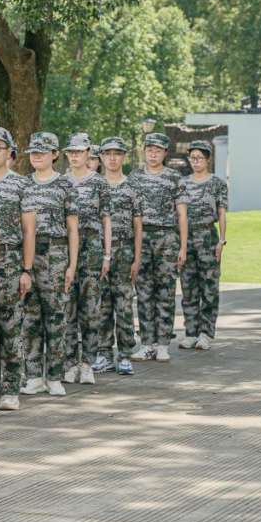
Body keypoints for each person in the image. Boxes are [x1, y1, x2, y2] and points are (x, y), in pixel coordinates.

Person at [0, 126, 36, 411]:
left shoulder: (21, 185)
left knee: (10, 327)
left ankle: (11, 388)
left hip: (10, 260)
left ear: (9, 152)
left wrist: (26, 270)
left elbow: (29, 231)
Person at [20, 133, 78, 396]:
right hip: (28, 254)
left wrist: (72, 264)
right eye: (33, 151)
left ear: (55, 154)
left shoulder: (65, 185)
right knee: (30, 316)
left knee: (56, 316)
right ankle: (33, 375)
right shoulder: (23, 184)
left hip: (55, 253)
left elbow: (73, 228)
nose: (37, 156)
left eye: (42, 152)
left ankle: (55, 375)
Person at [128, 133, 188, 363]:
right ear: (145, 151)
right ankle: (147, 344)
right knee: (143, 293)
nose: (153, 154)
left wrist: (183, 247)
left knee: (166, 292)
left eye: (158, 150)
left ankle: (162, 344)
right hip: (141, 238)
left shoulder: (174, 178)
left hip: (167, 238)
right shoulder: (134, 177)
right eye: (149, 150)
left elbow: (182, 214)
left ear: (165, 153)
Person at [63, 132, 111, 384]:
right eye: (71, 152)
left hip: (92, 247)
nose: (74, 156)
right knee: (68, 307)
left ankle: (88, 362)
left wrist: (107, 254)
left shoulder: (99, 183)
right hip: (66, 249)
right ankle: (70, 362)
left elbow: (106, 220)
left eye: (79, 152)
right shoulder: (61, 182)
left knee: (91, 307)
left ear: (88, 153)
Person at [177, 140, 229, 351]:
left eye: (199, 158)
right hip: (186, 236)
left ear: (208, 159)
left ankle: (206, 333)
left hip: (208, 236)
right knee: (188, 287)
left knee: (209, 288)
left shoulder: (217, 183)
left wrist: (221, 241)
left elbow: (222, 212)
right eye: (192, 158)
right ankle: (190, 332)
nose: (195, 161)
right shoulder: (182, 183)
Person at [96, 136, 142, 375]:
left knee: (123, 303)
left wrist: (137, 258)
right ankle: (104, 353)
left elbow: (138, 226)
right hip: (98, 251)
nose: (112, 158)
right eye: (108, 154)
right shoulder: (95, 185)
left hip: (124, 250)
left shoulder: (131, 188)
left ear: (124, 156)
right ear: (101, 157)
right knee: (102, 305)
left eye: (117, 154)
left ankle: (124, 354)